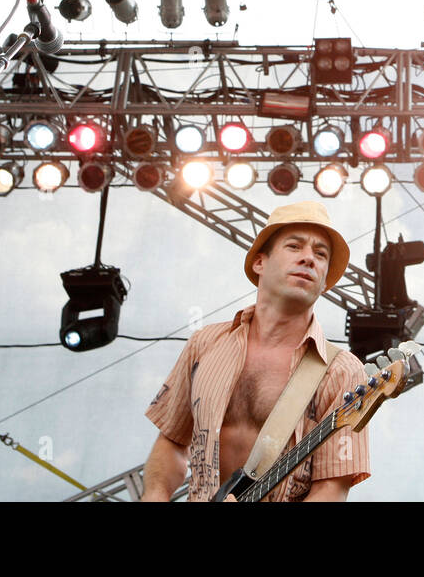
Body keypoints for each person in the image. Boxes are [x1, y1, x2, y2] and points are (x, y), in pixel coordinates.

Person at [141, 201, 370, 501]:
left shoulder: (342, 371)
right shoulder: (205, 343)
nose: (308, 259)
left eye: (320, 254)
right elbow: (171, 442)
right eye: (294, 246)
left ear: (326, 282)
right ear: (259, 262)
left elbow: (331, 489)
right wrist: (154, 495)